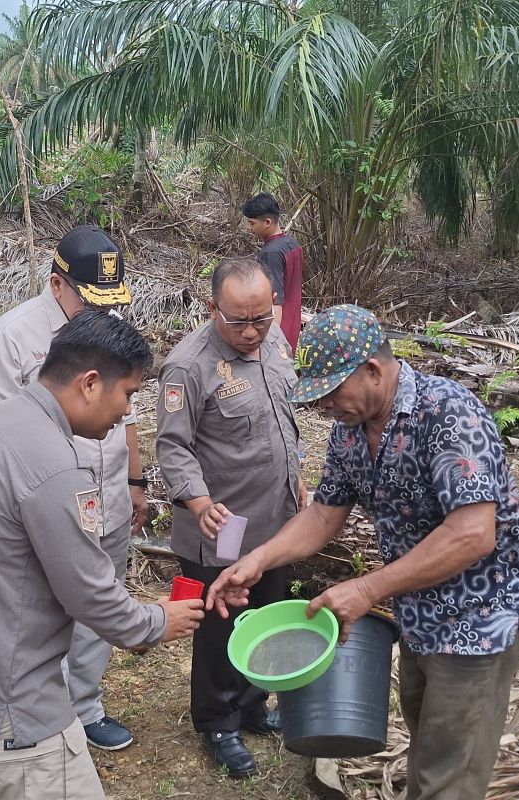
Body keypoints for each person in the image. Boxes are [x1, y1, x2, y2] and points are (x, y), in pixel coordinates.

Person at [208, 305, 519, 800]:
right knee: (426, 739)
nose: (324, 406)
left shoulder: (448, 414)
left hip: (480, 620)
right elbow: (325, 513)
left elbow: (473, 534)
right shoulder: (351, 428)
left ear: (372, 370)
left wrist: (367, 588)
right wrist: (259, 560)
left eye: (331, 392)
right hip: (419, 614)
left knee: (447, 771)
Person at [0, 311, 205, 800]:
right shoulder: (54, 467)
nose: (126, 413)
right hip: (15, 703)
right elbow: (89, 590)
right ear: (90, 383)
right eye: (127, 394)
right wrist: (156, 622)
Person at [0, 224, 148, 751]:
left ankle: (85, 706)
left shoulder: (108, 328)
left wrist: (136, 479)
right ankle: (37, 710)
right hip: (46, 507)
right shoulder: (12, 337)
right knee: (40, 610)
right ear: (56, 284)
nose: (101, 311)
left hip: (109, 493)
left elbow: (127, 410)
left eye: (110, 301)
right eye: (90, 299)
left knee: (101, 599)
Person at [155, 257, 304, 778]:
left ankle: (251, 702)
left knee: (266, 612)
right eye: (238, 320)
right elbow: (172, 447)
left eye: (260, 318)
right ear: (211, 306)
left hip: (277, 519)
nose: (251, 331)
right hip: (222, 525)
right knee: (220, 624)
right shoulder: (188, 365)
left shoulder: (275, 342)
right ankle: (218, 721)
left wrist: (296, 477)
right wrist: (198, 502)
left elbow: (284, 421)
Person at [243, 192, 303, 350]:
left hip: (278, 334)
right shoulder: (292, 244)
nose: (249, 228)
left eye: (252, 223)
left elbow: (275, 300)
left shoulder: (271, 253)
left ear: (267, 222)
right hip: (292, 327)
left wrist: (271, 339)